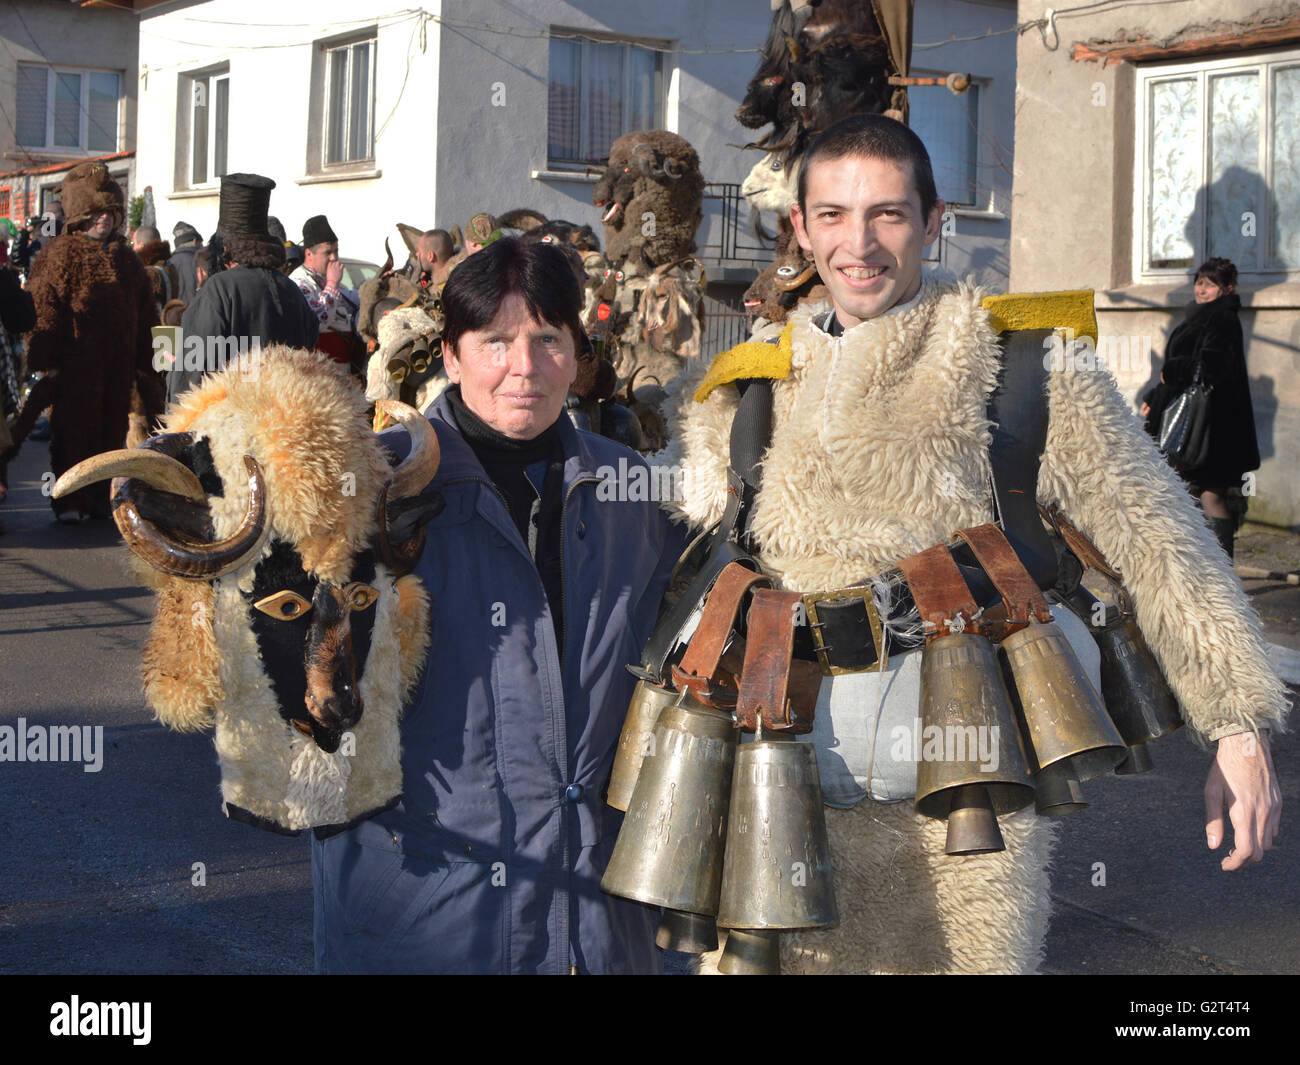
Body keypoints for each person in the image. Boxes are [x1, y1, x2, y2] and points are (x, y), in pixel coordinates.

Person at [661, 114, 1286, 974]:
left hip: (969, 822)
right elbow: (656, 544)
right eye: (834, 215)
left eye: (887, 213)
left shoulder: (1024, 368)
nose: (860, 243)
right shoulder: (745, 394)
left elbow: (1160, 538)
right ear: (799, 227)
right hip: (775, 809)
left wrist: (1239, 725)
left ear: (933, 219)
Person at [311, 237, 685, 974]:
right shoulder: (364, 486)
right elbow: (275, 699)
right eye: (496, 342)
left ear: (577, 352)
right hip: (426, 919)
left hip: (595, 922)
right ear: (449, 354)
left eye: (548, 339)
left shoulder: (632, 492)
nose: (525, 367)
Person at [23, 161, 162, 521]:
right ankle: (70, 499)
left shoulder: (127, 259)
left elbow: (148, 313)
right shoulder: (60, 253)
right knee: (73, 433)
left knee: (111, 433)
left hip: (119, 368)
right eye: (97, 212)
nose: (105, 219)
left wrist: (158, 359)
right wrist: (45, 358)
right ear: (82, 214)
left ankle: (101, 499)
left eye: (110, 212)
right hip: (76, 369)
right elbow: (43, 307)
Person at [1140, 258, 1258, 558]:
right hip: (1198, 422)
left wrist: (1172, 372)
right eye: (1198, 282)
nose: (1201, 289)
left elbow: (1210, 367)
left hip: (1210, 425)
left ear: (1226, 288)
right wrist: (1155, 397)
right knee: (1191, 492)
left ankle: (1221, 572)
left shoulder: (1222, 317)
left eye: (1209, 284)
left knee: (1210, 494)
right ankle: (1201, 569)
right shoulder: (1201, 315)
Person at [170, 174, 318, 404]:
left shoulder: (219, 289)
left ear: (225, 249)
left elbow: (190, 382)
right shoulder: (292, 290)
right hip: (284, 429)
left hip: (231, 428)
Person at [291, 214, 359, 367]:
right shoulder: (299, 283)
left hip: (341, 374)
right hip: (320, 378)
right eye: (328, 252)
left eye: (336, 250)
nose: (334, 257)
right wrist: (332, 284)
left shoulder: (323, 280)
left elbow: (350, 299)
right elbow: (318, 321)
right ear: (309, 254)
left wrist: (377, 287)